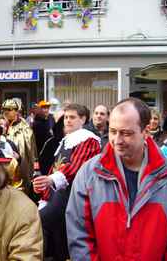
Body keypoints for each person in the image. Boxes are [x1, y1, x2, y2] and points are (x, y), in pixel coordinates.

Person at [66, 97, 167, 261]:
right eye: (112, 131)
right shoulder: (89, 173)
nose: (117, 140)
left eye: (126, 133)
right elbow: (79, 235)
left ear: (146, 132)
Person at [33, 103, 101, 261]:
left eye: (72, 117)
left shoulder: (89, 139)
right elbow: (56, 168)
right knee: (59, 237)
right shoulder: (67, 140)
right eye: (66, 117)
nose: (68, 121)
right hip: (60, 194)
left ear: (83, 119)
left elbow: (77, 167)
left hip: (75, 195)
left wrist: (50, 180)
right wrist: (44, 188)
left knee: (40, 221)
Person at [1, 98, 37, 194]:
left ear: (17, 111)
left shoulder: (25, 129)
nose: (6, 112)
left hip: (21, 168)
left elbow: (31, 151)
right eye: (4, 109)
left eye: (10, 109)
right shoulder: (0, 124)